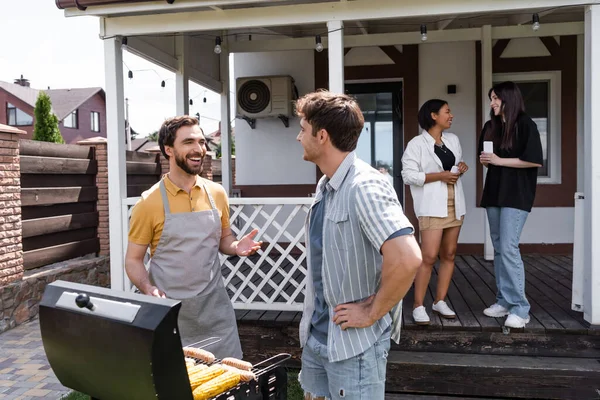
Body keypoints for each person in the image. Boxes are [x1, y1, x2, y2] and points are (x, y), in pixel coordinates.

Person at [295, 91, 422, 400]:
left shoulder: (364, 185)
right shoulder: (326, 184)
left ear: (322, 135)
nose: (298, 137)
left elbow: (407, 258)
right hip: (319, 337)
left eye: (302, 129)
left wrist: (373, 311)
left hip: (354, 346)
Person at [125, 115, 262, 358]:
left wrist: (236, 246)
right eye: (188, 142)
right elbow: (133, 260)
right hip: (170, 314)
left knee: (228, 384)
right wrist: (147, 286)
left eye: (201, 141)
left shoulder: (217, 193)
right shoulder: (149, 202)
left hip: (215, 312)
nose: (199, 148)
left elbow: (223, 240)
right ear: (168, 149)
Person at [479, 81, 543, 329]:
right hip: (494, 193)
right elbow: (486, 161)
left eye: (496, 98)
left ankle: (520, 308)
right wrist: (487, 160)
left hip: (517, 195)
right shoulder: (491, 126)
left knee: (508, 247)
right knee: (499, 248)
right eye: (491, 98)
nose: (492, 102)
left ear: (509, 99)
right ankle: (503, 300)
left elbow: (534, 161)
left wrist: (498, 160)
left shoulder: (526, 125)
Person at [401, 99, 468, 325]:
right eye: (447, 112)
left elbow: (453, 167)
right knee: (428, 256)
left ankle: (439, 301)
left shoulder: (453, 140)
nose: (451, 115)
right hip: (431, 206)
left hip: (454, 203)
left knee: (449, 254)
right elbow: (408, 176)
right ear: (433, 115)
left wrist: (461, 168)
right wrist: (440, 176)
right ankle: (418, 305)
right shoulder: (416, 144)